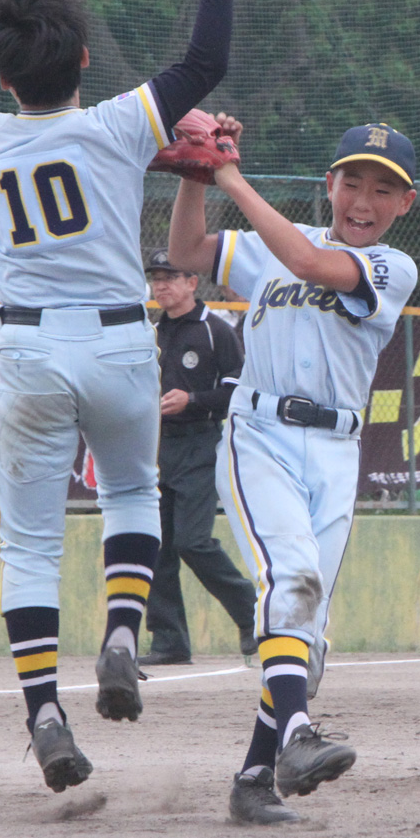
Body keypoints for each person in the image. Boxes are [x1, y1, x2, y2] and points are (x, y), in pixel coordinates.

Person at [0, 0, 251, 795]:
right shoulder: (116, 124)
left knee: (27, 545)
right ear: (78, 63)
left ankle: (45, 717)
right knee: (133, 496)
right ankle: (120, 634)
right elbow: (204, 62)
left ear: (2, 72)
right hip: (118, 343)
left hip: (28, 349)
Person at [168, 118, 417, 823]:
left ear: (405, 204)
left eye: (381, 189)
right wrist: (196, 178)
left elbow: (311, 266)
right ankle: (297, 735)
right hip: (261, 435)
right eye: (352, 182)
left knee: (307, 632)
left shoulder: (393, 267)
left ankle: (254, 777)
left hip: (337, 450)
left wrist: (228, 176)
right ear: (327, 185)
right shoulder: (264, 251)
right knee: (292, 581)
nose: (363, 200)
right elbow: (185, 249)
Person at [139, 248, 256, 666]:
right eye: (156, 278)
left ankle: (252, 613)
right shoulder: (150, 331)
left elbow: (236, 394)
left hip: (200, 444)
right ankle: (169, 640)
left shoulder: (216, 331)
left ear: (192, 282)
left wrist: (192, 400)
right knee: (157, 547)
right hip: (156, 448)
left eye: (170, 276)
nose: (161, 285)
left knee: (192, 540)